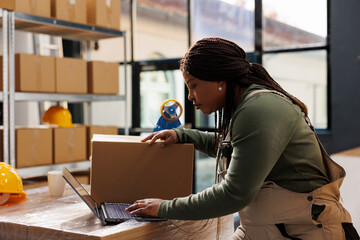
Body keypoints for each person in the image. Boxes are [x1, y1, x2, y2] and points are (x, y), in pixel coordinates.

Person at [125, 37, 359, 239]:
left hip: (307, 231)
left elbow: (233, 194)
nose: (190, 97)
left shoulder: (259, 108)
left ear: (218, 79)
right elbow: (234, 149)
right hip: (266, 228)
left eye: (193, 85)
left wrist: (163, 208)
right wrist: (183, 135)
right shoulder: (244, 106)